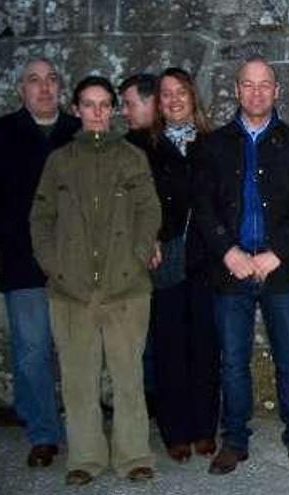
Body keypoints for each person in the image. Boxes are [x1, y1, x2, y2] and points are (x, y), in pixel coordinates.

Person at [191, 55, 289, 474]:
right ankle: (234, 440)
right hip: (230, 269)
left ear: (277, 91)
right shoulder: (213, 145)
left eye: (265, 84)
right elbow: (204, 204)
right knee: (233, 360)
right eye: (248, 84)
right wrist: (228, 251)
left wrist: (275, 253)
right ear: (237, 89)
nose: (257, 91)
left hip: (280, 268)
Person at [30, 75, 160, 485]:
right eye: (89, 104)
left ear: (115, 110)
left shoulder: (131, 158)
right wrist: (56, 267)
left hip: (126, 288)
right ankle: (85, 459)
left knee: (127, 377)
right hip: (71, 292)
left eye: (106, 104)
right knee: (78, 380)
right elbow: (41, 219)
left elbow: (149, 210)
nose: (98, 112)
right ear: (76, 109)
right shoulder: (59, 161)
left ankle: (134, 455)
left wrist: (138, 256)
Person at [0, 58, 79, 468]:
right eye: (34, 81)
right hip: (23, 263)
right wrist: (11, 239)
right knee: (33, 350)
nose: (44, 88)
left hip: (75, 264)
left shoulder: (78, 131)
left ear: (61, 88)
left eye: (52, 80)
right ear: (20, 89)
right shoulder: (0, 133)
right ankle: (43, 433)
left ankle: (81, 427)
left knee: (77, 350)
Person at [144, 67, 220, 463]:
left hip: (207, 260)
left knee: (206, 348)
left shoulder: (214, 143)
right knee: (169, 347)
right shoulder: (144, 145)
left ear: (194, 98)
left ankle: (205, 428)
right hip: (167, 260)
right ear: (159, 102)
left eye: (181, 93)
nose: (174, 100)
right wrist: (148, 238)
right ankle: (175, 430)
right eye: (166, 94)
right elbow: (135, 202)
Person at [118, 71, 159, 419]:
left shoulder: (169, 143)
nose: (125, 113)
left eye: (130, 104)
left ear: (152, 102)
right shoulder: (125, 148)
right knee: (139, 341)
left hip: (171, 256)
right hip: (134, 259)